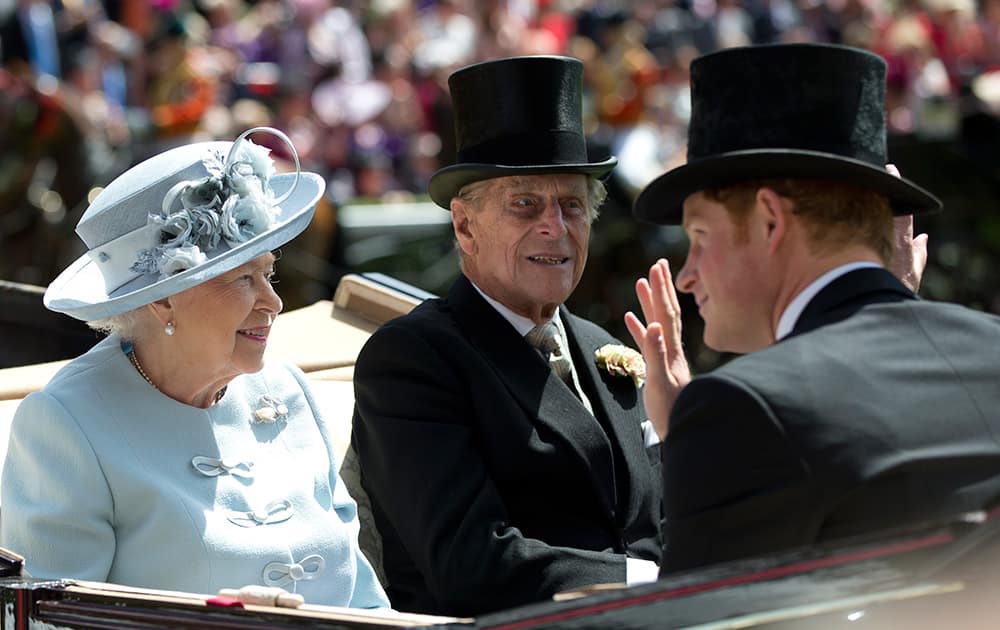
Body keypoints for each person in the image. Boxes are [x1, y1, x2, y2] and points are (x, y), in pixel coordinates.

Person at [624, 43, 1000, 575]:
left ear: (771, 222)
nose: (687, 274)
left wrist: (685, 439)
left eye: (700, 236)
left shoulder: (742, 410)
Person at [0, 127, 389, 609]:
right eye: (243, 279)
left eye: (267, 272)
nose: (273, 301)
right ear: (165, 299)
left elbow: (368, 604)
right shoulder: (66, 425)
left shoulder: (289, 390)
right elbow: (51, 622)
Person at [351, 56, 662, 616]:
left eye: (572, 205)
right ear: (465, 226)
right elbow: (470, 562)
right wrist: (647, 581)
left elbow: (655, 522)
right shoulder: (414, 358)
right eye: (525, 204)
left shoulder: (605, 349)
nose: (555, 226)